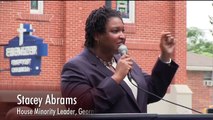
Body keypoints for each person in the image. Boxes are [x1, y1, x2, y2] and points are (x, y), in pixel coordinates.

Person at [61, 6, 179, 113]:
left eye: (123, 30)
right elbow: (79, 107)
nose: (122, 36)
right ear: (97, 35)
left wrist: (165, 56)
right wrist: (116, 77)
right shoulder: (76, 67)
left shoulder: (124, 61)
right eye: (115, 31)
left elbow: (153, 90)